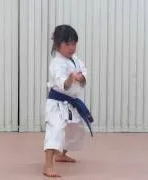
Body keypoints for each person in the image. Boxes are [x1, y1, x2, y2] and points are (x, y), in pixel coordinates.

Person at [43, 24, 91, 178]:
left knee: (76, 130)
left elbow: (84, 74)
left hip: (71, 103)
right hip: (56, 103)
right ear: (58, 45)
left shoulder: (75, 59)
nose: (72, 47)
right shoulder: (56, 63)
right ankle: (48, 164)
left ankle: (61, 154)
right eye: (67, 44)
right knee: (55, 130)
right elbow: (62, 84)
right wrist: (71, 78)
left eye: (74, 43)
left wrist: (81, 77)